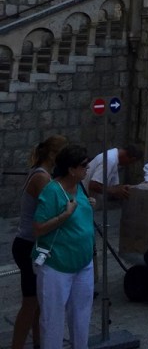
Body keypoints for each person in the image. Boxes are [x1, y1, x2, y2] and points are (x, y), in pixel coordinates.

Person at [32, 144, 95, 349]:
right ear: (71, 169)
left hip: (83, 262)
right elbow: (39, 227)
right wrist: (65, 215)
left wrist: (89, 203)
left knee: (82, 316)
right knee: (53, 320)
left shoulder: (80, 186)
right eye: (84, 165)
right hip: (57, 265)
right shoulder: (52, 191)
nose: (88, 168)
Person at [11, 134, 68, 349]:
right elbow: (55, 207)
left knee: (37, 304)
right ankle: (18, 344)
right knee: (30, 302)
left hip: (29, 243)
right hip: (28, 245)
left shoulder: (42, 174)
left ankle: (37, 343)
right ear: (54, 155)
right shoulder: (42, 178)